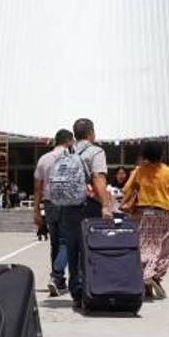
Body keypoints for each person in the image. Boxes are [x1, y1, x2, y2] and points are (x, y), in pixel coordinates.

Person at [50, 117, 112, 310]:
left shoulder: (67, 151)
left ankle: (76, 292)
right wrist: (105, 205)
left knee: (72, 248)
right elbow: (98, 177)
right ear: (91, 133)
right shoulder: (95, 151)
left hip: (68, 206)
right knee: (89, 248)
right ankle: (89, 289)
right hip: (88, 205)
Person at [120, 140, 169, 299]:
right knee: (162, 247)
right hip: (163, 212)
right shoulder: (167, 172)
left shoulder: (139, 171)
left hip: (141, 212)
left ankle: (146, 282)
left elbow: (126, 189)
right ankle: (153, 274)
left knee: (144, 245)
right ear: (160, 154)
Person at [33, 129, 75, 296]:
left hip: (49, 204)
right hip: (66, 203)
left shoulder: (44, 159)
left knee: (55, 243)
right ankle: (57, 276)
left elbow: (37, 186)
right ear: (69, 141)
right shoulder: (71, 157)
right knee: (66, 242)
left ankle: (59, 282)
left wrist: (36, 210)